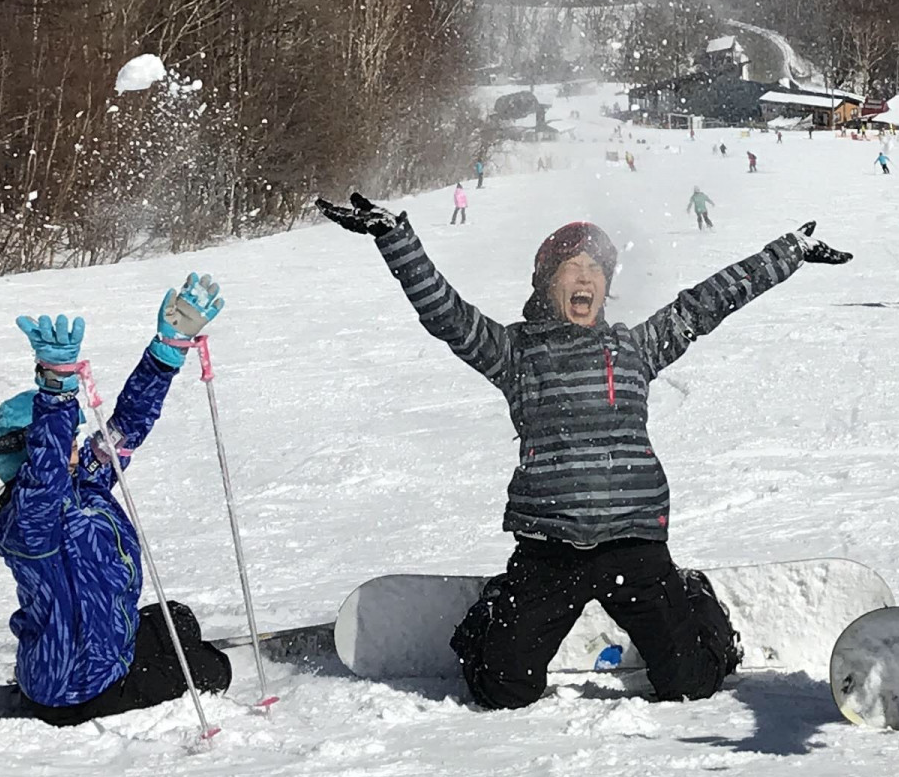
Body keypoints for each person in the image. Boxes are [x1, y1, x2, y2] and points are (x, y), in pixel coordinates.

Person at [318, 191, 853, 709]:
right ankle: (498, 608)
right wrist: (396, 240)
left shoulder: (634, 347)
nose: (586, 278)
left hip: (634, 545)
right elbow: (448, 317)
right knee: (501, 689)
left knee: (688, 682)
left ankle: (693, 597)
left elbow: (707, 302)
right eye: (572, 268)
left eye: (596, 270)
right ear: (547, 284)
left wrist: (787, 253)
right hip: (550, 549)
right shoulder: (515, 353)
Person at [0, 275, 237, 725]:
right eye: (65, 439)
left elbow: (127, 425)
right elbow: (44, 473)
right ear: (35, 447)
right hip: (78, 691)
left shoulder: (85, 481)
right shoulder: (31, 520)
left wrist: (167, 351)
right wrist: (56, 387)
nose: (75, 445)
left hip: (98, 660)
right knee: (214, 670)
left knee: (173, 619)